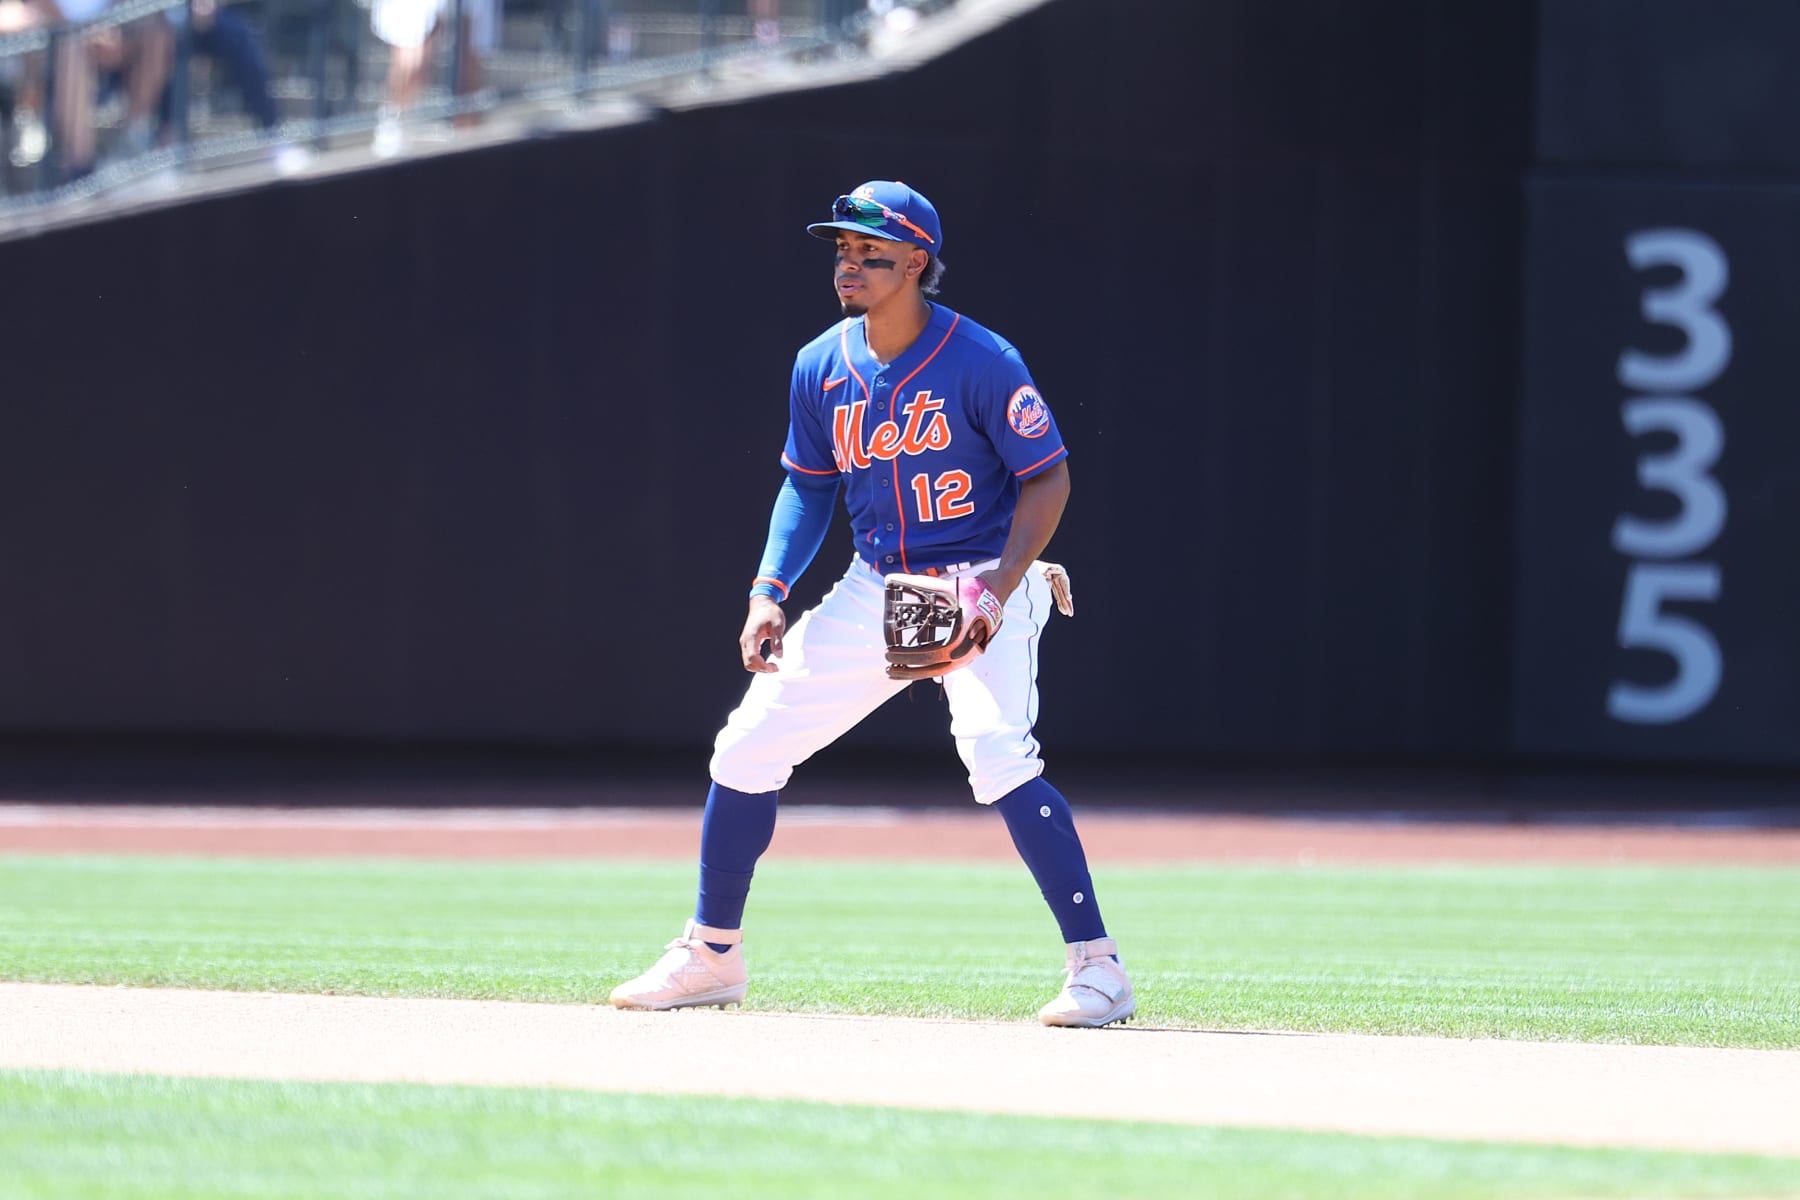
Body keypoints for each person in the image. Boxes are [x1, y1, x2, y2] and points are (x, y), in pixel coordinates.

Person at [609, 180, 1135, 1029]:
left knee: (998, 753)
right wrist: (768, 591)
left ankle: (1099, 969)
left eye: (870, 252)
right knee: (746, 748)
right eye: (843, 250)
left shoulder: (982, 359)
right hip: (877, 581)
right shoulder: (821, 363)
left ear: (917, 261)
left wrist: (1001, 587)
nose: (848, 264)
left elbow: (1049, 478)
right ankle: (712, 955)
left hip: (976, 574)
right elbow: (807, 487)